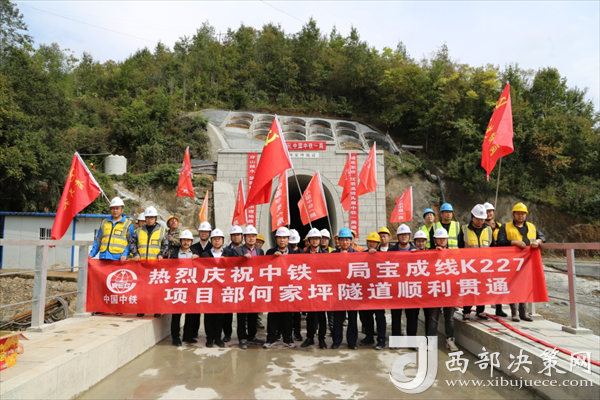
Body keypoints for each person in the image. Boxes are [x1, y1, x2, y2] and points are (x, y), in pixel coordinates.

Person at [497, 202, 546, 322]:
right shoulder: (506, 227)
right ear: (513, 214)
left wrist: (538, 241)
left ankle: (523, 313)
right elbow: (500, 241)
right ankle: (514, 313)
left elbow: (543, 237)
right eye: (518, 214)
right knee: (513, 287)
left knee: (525, 287)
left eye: (523, 214)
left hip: (527, 263)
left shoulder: (531, 227)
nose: (521, 216)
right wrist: (514, 242)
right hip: (511, 263)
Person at [264, 227, 299, 349]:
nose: (282, 240)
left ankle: (288, 338)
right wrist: (273, 258)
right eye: (280, 237)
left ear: (288, 239)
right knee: (272, 314)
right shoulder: (270, 252)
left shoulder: (295, 254)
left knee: (288, 315)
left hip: (289, 287)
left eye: (284, 238)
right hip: (274, 288)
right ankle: (270, 338)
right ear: (276, 239)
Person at [130, 206, 168, 318]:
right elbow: (132, 243)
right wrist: (135, 254)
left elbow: (165, 245)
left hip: (155, 266)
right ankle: (141, 309)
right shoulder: (139, 231)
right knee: (142, 289)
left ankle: (157, 309)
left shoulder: (162, 231)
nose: (150, 219)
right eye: (148, 217)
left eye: (152, 217)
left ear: (155, 218)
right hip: (142, 265)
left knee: (156, 289)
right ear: (145, 218)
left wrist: (161, 254)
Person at [200, 228, 236, 347]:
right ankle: (209, 338)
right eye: (215, 239)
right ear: (211, 240)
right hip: (209, 290)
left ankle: (218, 337)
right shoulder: (205, 255)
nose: (217, 241)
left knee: (220, 315)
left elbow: (234, 269)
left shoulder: (229, 254)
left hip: (222, 289)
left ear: (222, 241)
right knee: (209, 315)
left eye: (219, 239)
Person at [425, 227, 459, 352]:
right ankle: (431, 342)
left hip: (449, 290)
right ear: (435, 240)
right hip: (435, 289)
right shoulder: (429, 253)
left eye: (444, 238)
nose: (442, 241)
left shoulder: (452, 254)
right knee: (433, 317)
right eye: (439, 239)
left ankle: (450, 340)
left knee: (449, 317)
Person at [458, 204, 494, 322]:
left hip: (484, 266)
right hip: (469, 266)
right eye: (478, 218)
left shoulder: (488, 230)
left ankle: (480, 310)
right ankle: (466, 311)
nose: (480, 221)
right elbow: (460, 247)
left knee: (482, 288)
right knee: (469, 287)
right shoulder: (464, 229)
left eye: (482, 219)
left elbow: (492, 247)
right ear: (472, 217)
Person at [233, 225, 265, 349]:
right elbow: (233, 267)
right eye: (249, 236)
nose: (251, 238)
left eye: (253, 236)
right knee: (242, 314)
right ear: (244, 237)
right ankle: (242, 338)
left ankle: (252, 336)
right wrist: (242, 260)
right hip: (242, 286)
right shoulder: (238, 251)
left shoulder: (260, 251)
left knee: (253, 313)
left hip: (255, 286)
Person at [169, 229, 200, 346]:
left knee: (190, 313)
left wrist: (198, 260)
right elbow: (170, 270)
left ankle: (187, 335)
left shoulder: (196, 254)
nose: (186, 242)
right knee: (176, 314)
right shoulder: (174, 254)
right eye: (184, 240)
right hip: (178, 288)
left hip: (191, 288)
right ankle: (175, 337)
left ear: (191, 242)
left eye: (188, 240)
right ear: (180, 241)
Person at [332, 228, 360, 350]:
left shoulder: (357, 254)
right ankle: (336, 341)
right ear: (338, 241)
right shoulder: (333, 255)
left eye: (347, 240)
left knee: (352, 318)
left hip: (352, 290)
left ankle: (352, 341)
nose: (345, 242)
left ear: (351, 241)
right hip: (338, 291)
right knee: (338, 318)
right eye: (342, 240)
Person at [301, 228, 328, 350]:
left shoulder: (326, 255)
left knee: (322, 316)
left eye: (317, 239)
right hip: (309, 289)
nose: (315, 241)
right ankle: (310, 337)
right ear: (309, 240)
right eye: (313, 239)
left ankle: (322, 339)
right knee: (310, 316)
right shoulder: (303, 255)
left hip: (321, 288)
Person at [360, 232, 387, 350]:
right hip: (366, 291)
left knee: (380, 317)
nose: (372, 244)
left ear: (378, 244)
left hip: (379, 291)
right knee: (367, 316)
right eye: (370, 242)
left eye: (374, 242)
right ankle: (369, 337)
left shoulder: (383, 255)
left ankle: (381, 340)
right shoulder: (361, 255)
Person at [389, 224, 416, 340]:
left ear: (409, 236)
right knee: (396, 316)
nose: (404, 236)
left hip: (411, 288)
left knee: (412, 317)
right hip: (396, 289)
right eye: (401, 235)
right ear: (398, 236)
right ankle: (396, 340)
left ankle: (412, 341)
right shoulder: (391, 251)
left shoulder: (416, 251)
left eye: (406, 234)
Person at [89, 197, 134, 264]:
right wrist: (92, 254)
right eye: (113, 208)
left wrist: (125, 254)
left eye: (117, 208)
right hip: (104, 258)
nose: (115, 211)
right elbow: (98, 240)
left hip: (119, 260)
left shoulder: (128, 224)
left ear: (122, 209)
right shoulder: (104, 222)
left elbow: (132, 242)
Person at [483, 202, 507, 317]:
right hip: (484, 260)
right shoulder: (481, 226)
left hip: (497, 260)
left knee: (498, 283)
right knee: (482, 284)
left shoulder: (500, 226)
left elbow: (503, 240)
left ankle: (499, 308)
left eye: (490, 211)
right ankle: (480, 309)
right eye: (486, 211)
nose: (489, 213)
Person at [222, 225, 244, 343]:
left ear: (241, 236)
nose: (236, 237)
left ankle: (242, 336)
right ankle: (227, 334)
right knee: (227, 313)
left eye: (238, 235)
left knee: (241, 314)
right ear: (231, 237)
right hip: (229, 285)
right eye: (234, 235)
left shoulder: (246, 250)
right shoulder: (225, 250)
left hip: (242, 285)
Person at [287, 229, 303, 341]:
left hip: (298, 285)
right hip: (285, 284)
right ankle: (284, 332)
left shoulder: (302, 253)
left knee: (297, 312)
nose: (293, 245)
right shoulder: (284, 252)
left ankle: (297, 332)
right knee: (286, 311)